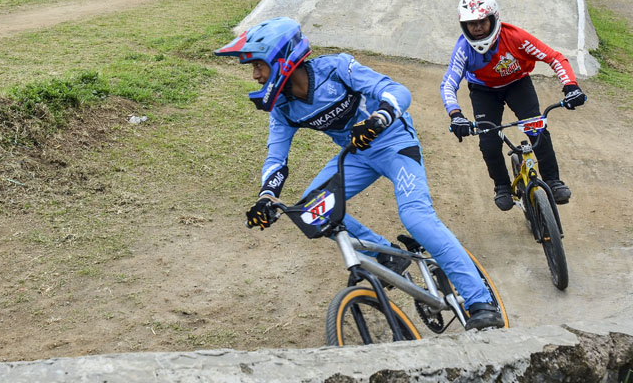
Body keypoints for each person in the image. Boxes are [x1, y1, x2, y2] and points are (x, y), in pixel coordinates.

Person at [215, 17, 505, 331]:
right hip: (356, 154)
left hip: (395, 143)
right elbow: (276, 156)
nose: (256, 75)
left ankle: (481, 301)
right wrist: (267, 197)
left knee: (417, 218)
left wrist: (381, 117)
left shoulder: (336, 68)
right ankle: (388, 257)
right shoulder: (283, 108)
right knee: (311, 212)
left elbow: (397, 91)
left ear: (281, 59)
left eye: (258, 65)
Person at [441, 0, 587, 211]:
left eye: (482, 21)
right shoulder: (463, 49)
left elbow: (554, 57)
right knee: (488, 142)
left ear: (493, 18)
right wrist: (456, 115)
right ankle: (501, 186)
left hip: (518, 84)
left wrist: (571, 87)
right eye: (471, 23)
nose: (477, 27)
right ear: (464, 25)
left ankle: (553, 180)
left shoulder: (516, 37)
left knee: (536, 127)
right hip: (484, 91)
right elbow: (448, 84)